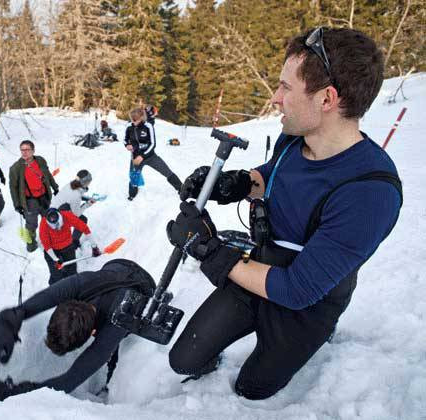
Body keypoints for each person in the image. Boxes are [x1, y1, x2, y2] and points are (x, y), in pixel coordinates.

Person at [165, 27, 402, 400]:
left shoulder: (370, 192)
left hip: (306, 302)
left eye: (286, 88)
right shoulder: (295, 137)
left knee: (252, 388)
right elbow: (274, 173)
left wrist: (209, 250)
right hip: (260, 268)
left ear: (327, 98)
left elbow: (296, 289)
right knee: (184, 360)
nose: (275, 99)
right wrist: (237, 183)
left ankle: (318, 337)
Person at [0, 259, 155, 401]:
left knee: (112, 350)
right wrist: (6, 323)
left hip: (144, 285)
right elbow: (40, 301)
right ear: (65, 302)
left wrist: (14, 393)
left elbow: (70, 380)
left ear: (92, 334)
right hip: (117, 267)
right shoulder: (81, 283)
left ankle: (108, 380)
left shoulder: (116, 321)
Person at [9, 140, 59, 252]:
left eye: (27, 149)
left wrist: (54, 187)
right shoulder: (16, 168)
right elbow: (13, 188)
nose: (24, 152)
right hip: (29, 201)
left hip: (44, 197)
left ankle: (52, 239)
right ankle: (31, 244)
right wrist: (17, 205)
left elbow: (48, 175)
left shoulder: (40, 160)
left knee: (48, 219)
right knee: (31, 224)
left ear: (33, 150)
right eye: (22, 150)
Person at [124, 106, 181, 201]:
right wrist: (127, 145)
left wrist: (142, 156)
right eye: (131, 120)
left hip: (150, 156)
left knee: (167, 171)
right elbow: (125, 139)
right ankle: (132, 194)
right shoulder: (129, 126)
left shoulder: (148, 126)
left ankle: (181, 188)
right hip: (136, 157)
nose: (133, 122)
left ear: (141, 118)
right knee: (134, 176)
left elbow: (152, 144)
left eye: (135, 120)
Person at [39, 207, 101, 285]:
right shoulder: (44, 224)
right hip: (52, 251)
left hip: (67, 247)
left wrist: (94, 247)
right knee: (56, 276)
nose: (55, 225)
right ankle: (54, 290)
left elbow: (85, 228)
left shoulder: (67, 216)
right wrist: (56, 259)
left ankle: (73, 289)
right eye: (50, 219)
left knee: (72, 274)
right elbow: (46, 245)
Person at [51, 169, 97, 248]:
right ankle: (74, 243)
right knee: (82, 220)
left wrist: (87, 198)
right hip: (57, 219)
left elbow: (75, 196)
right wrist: (88, 204)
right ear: (84, 183)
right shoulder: (76, 195)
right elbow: (76, 214)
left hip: (53, 210)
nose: (89, 183)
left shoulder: (70, 184)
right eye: (89, 182)